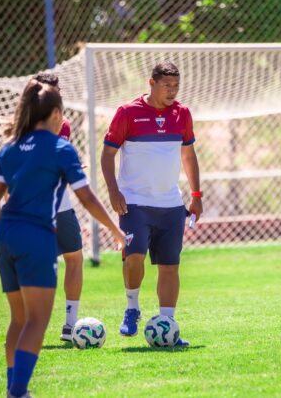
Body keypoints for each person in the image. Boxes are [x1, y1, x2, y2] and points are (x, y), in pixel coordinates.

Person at [0, 79, 124, 398]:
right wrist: (115, 231)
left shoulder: (10, 148)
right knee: (36, 321)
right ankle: (18, 392)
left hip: (5, 236)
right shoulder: (61, 148)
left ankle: (13, 387)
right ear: (56, 113)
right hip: (36, 236)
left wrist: (1, 236)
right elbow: (88, 198)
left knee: (18, 319)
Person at [101, 61, 202, 347]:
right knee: (134, 256)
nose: (172, 91)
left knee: (170, 266)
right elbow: (107, 155)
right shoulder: (128, 113)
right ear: (151, 83)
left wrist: (196, 196)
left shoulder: (182, 114)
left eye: (176, 86)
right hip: (134, 202)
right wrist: (113, 191)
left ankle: (167, 324)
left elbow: (189, 156)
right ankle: (132, 307)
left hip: (170, 204)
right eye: (166, 86)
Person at [32, 72, 85, 342]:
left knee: (74, 258)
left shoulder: (61, 125)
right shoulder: (26, 129)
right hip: (39, 210)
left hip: (58, 206)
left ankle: (70, 324)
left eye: (57, 92)